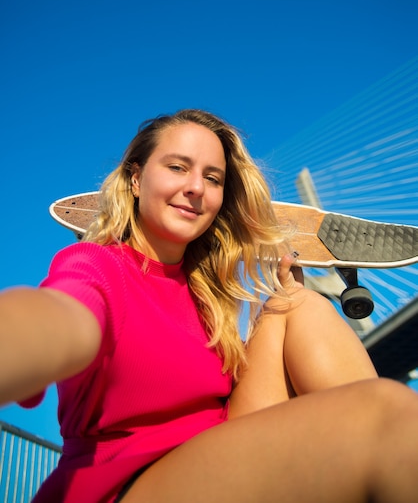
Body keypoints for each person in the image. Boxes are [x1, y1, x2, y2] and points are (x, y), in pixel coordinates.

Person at [1, 108, 418, 503]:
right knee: (384, 414)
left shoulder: (207, 298)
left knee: (296, 303)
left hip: (219, 458)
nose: (196, 187)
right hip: (126, 483)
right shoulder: (99, 264)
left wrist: (282, 292)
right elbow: (64, 316)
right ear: (135, 179)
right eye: (178, 167)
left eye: (213, 178)